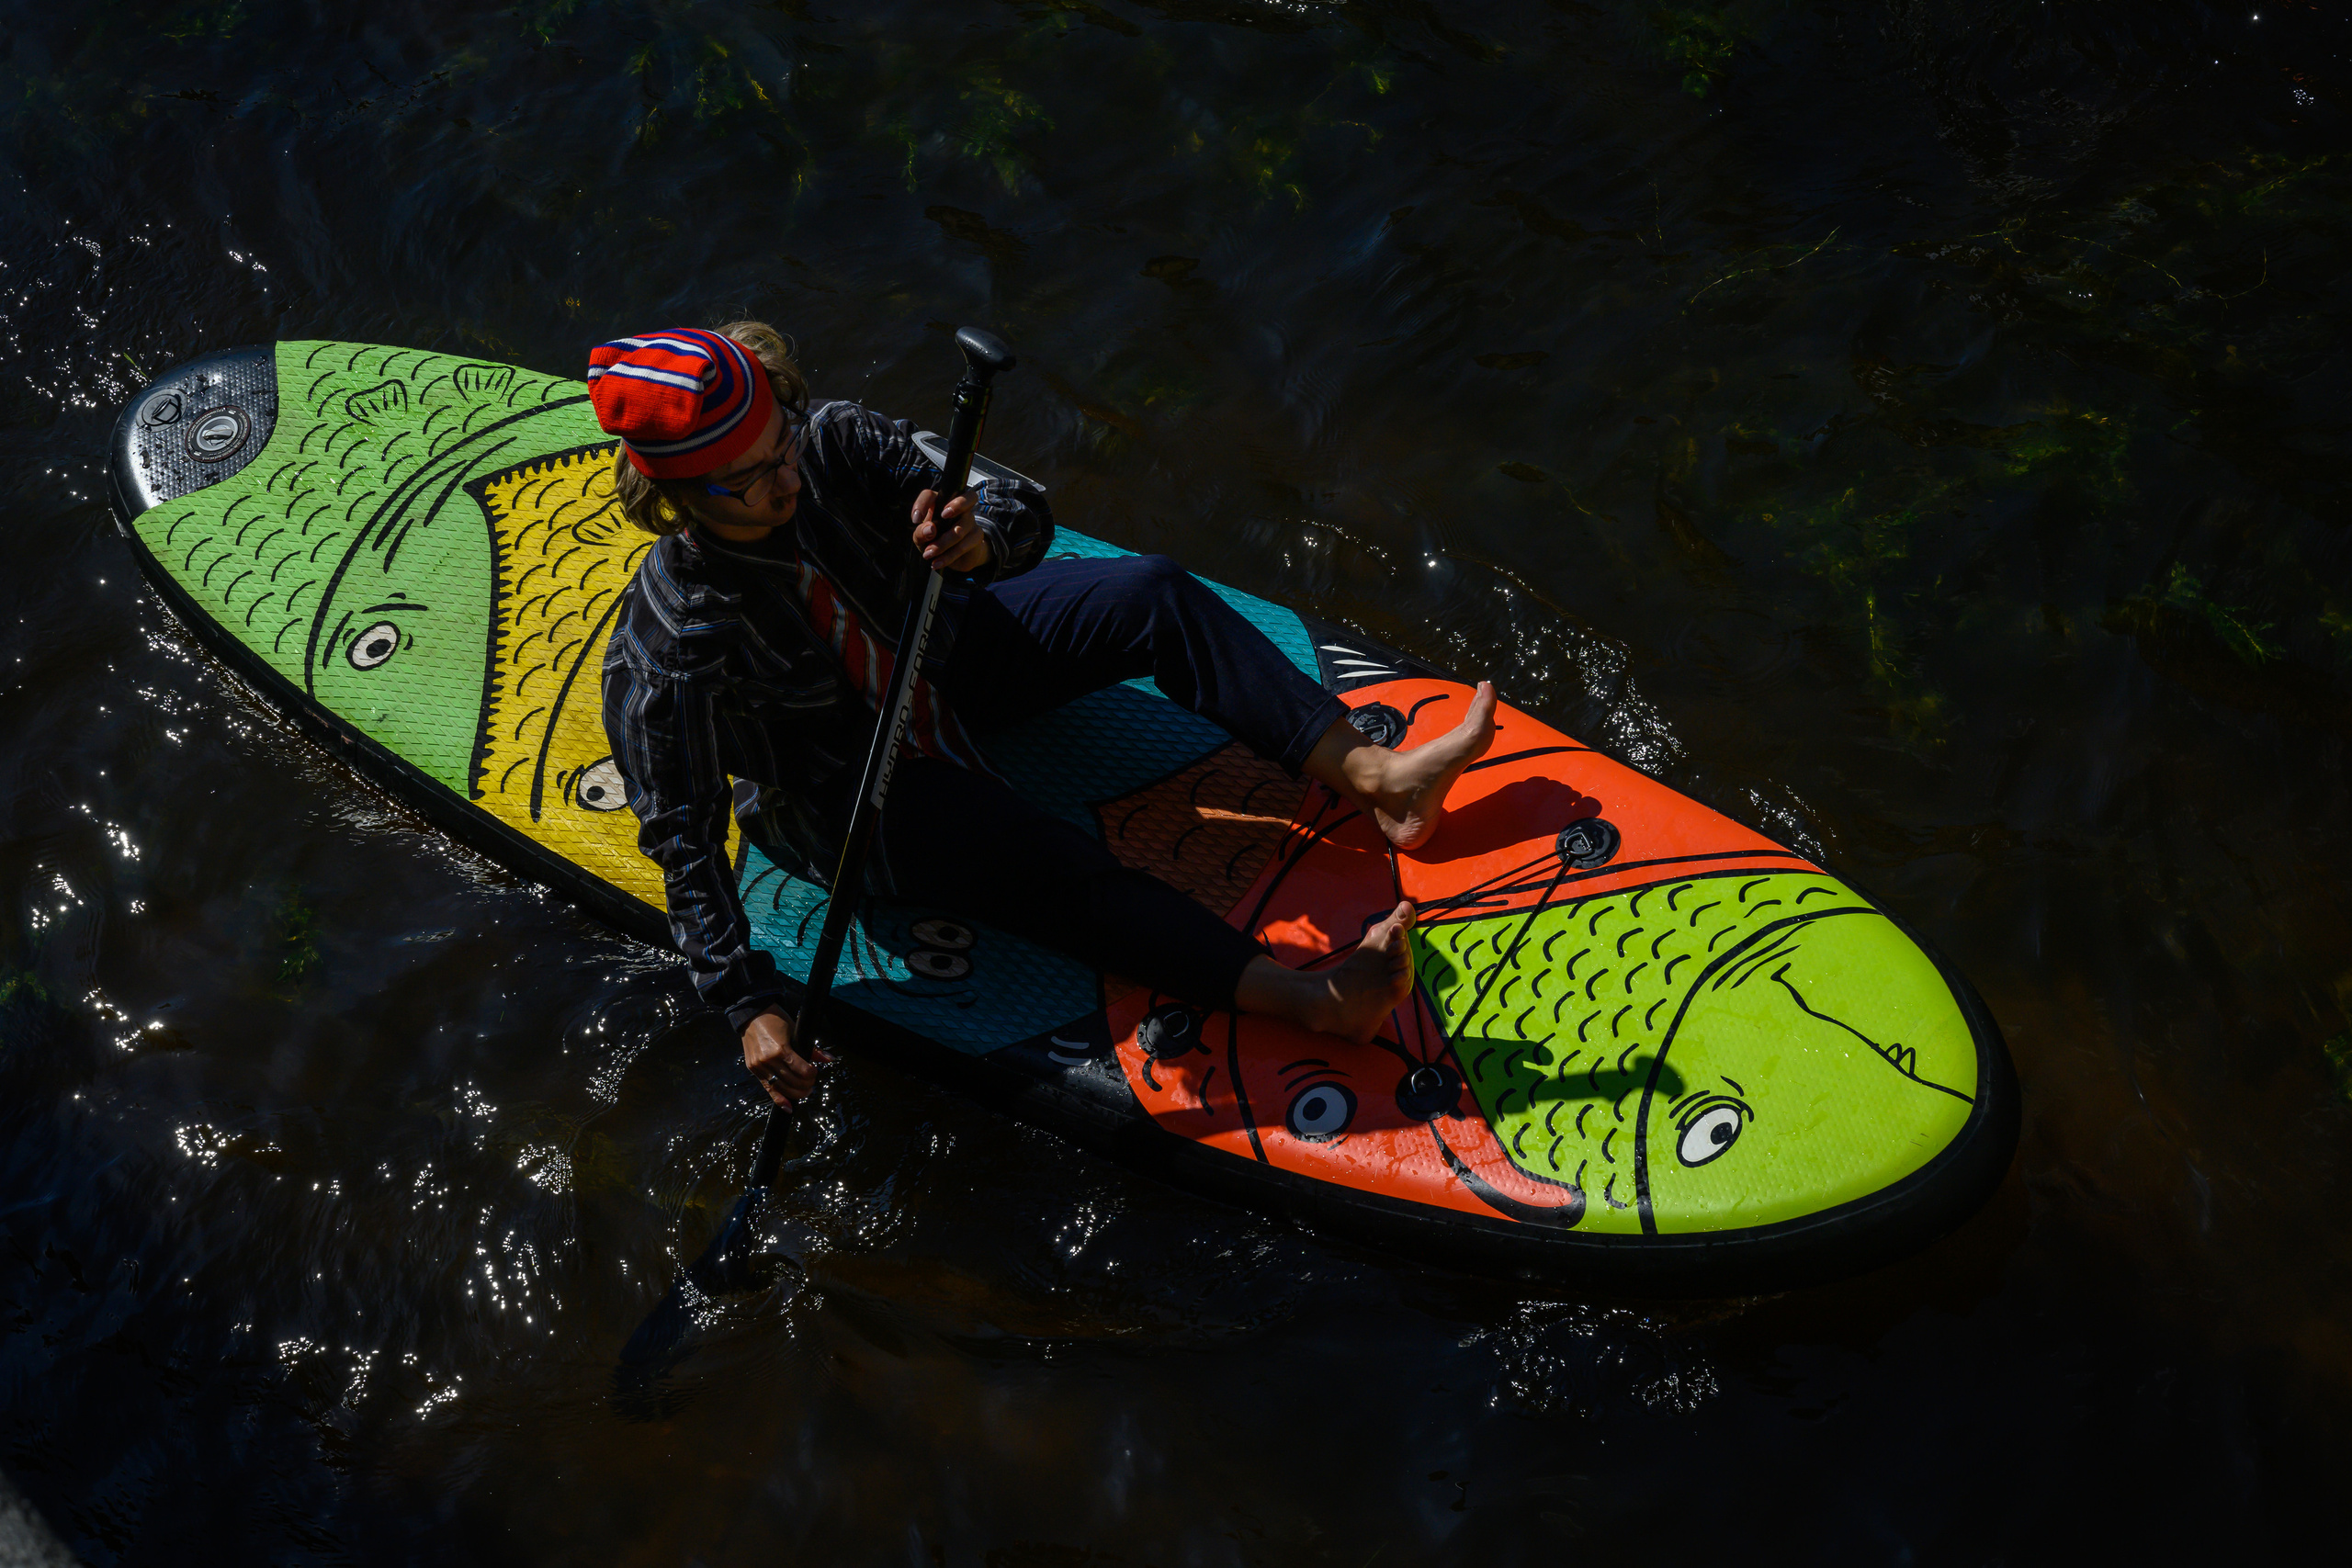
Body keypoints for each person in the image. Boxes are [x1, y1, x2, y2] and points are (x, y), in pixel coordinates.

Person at [594, 323, 1497, 1108]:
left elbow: (1016, 504)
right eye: (748, 482)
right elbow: (679, 830)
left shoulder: (832, 440)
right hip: (847, 789)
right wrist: (747, 1003)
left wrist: (981, 536)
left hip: (946, 659)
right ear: (680, 501)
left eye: (780, 446)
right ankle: (1311, 1000)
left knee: (1152, 591)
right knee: (1028, 849)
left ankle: (1378, 780)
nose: (783, 479)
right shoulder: (671, 642)